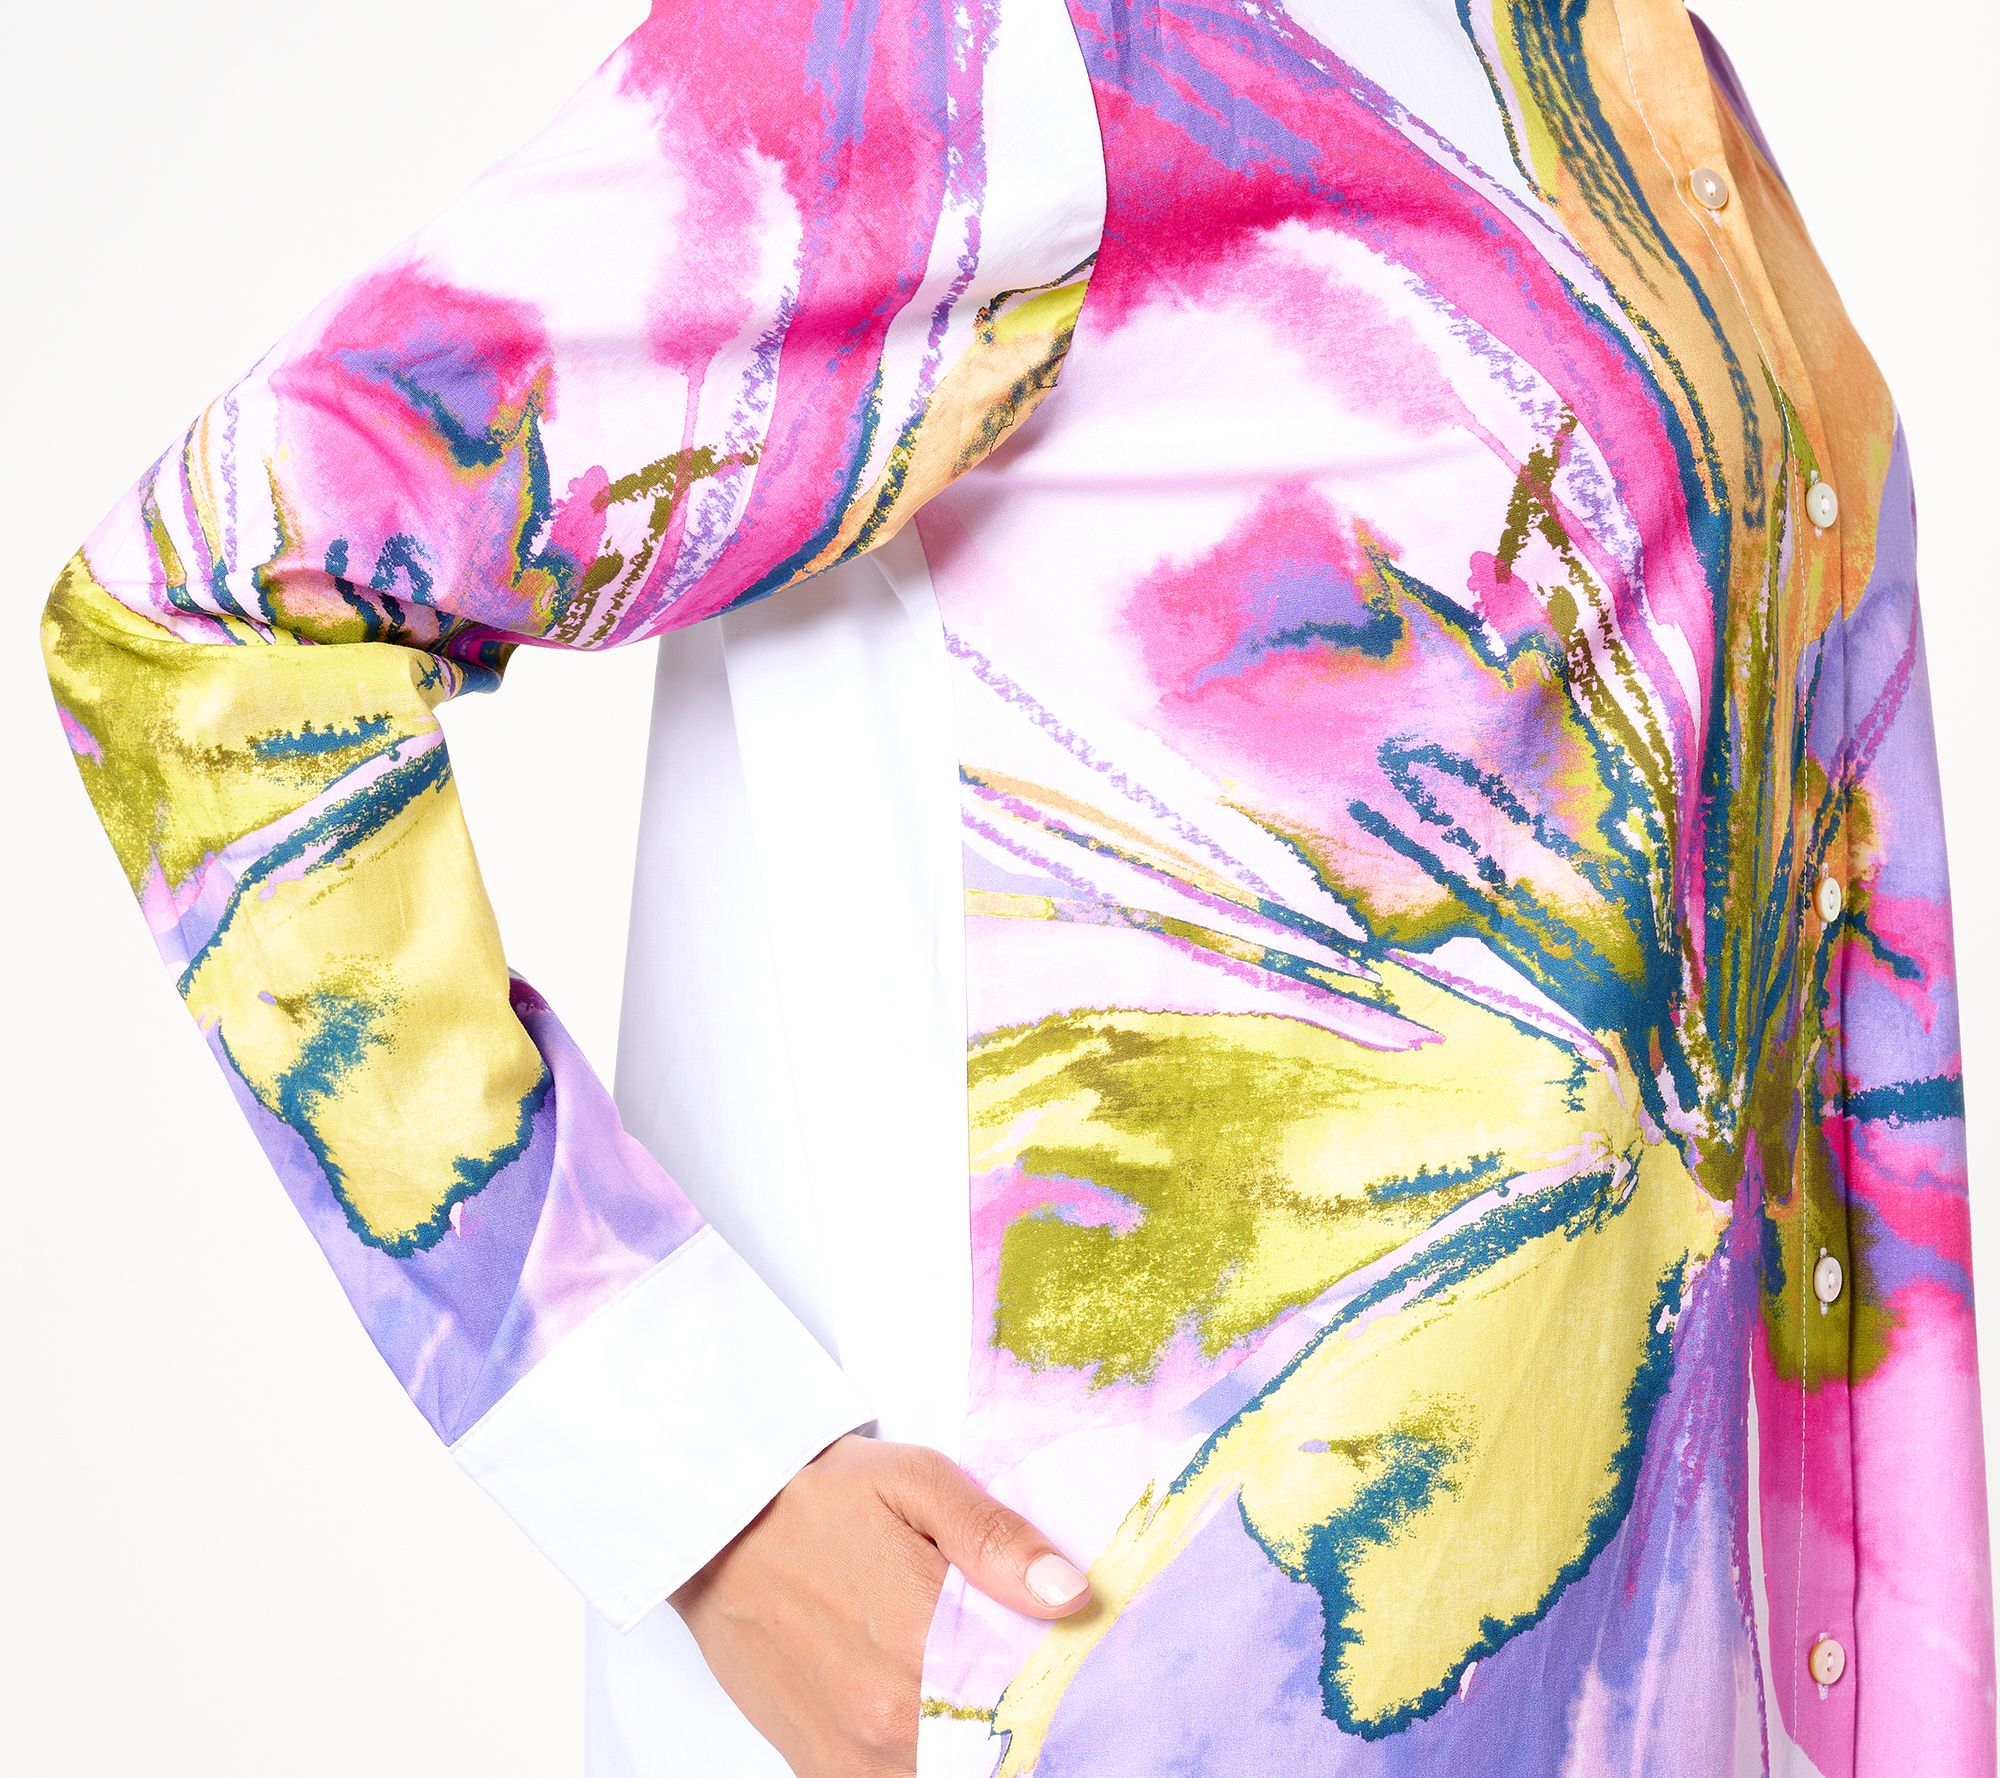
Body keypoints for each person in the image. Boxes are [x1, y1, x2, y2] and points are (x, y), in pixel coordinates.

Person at [39, 0, 1994, 1772]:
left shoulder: (1631, 67)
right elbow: (206, 611)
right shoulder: (977, 46)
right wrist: (703, 1480)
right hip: (1144, 1680)